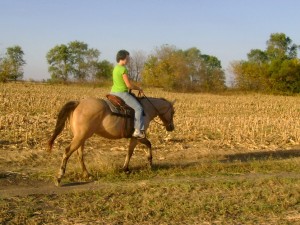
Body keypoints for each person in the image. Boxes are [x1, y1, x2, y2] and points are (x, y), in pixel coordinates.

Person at [110, 50, 145, 138]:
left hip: (112, 92)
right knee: (139, 108)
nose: (128, 59)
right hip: (121, 93)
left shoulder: (115, 68)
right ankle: (137, 131)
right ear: (122, 58)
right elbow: (129, 85)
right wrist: (139, 88)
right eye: (127, 57)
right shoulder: (123, 69)